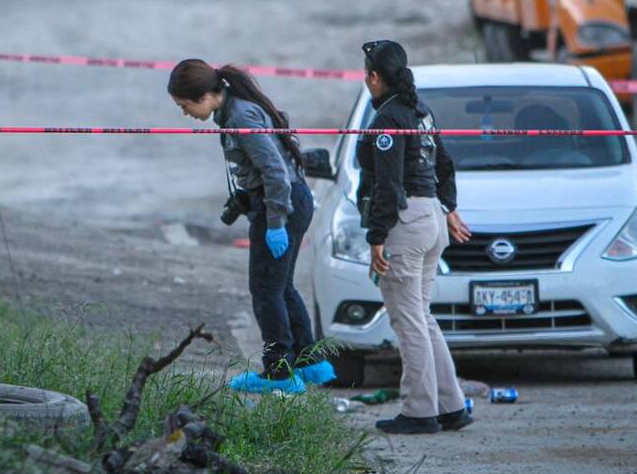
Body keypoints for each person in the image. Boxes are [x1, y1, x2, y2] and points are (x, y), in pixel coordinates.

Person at [167, 58, 333, 394]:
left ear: (202, 95)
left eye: (185, 106)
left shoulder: (241, 116)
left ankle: (279, 373)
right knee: (281, 286)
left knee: (265, 291)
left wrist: (275, 223)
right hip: (285, 202)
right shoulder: (234, 111)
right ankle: (309, 362)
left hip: (280, 206)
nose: (186, 114)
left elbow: (274, 172)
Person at [356, 40, 473, 435]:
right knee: (421, 317)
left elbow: (387, 185)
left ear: (374, 77)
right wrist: (449, 207)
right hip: (431, 217)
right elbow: (446, 164)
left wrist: (376, 235)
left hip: (404, 222)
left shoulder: (388, 121)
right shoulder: (421, 111)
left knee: (408, 322)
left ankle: (420, 411)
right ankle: (451, 404)